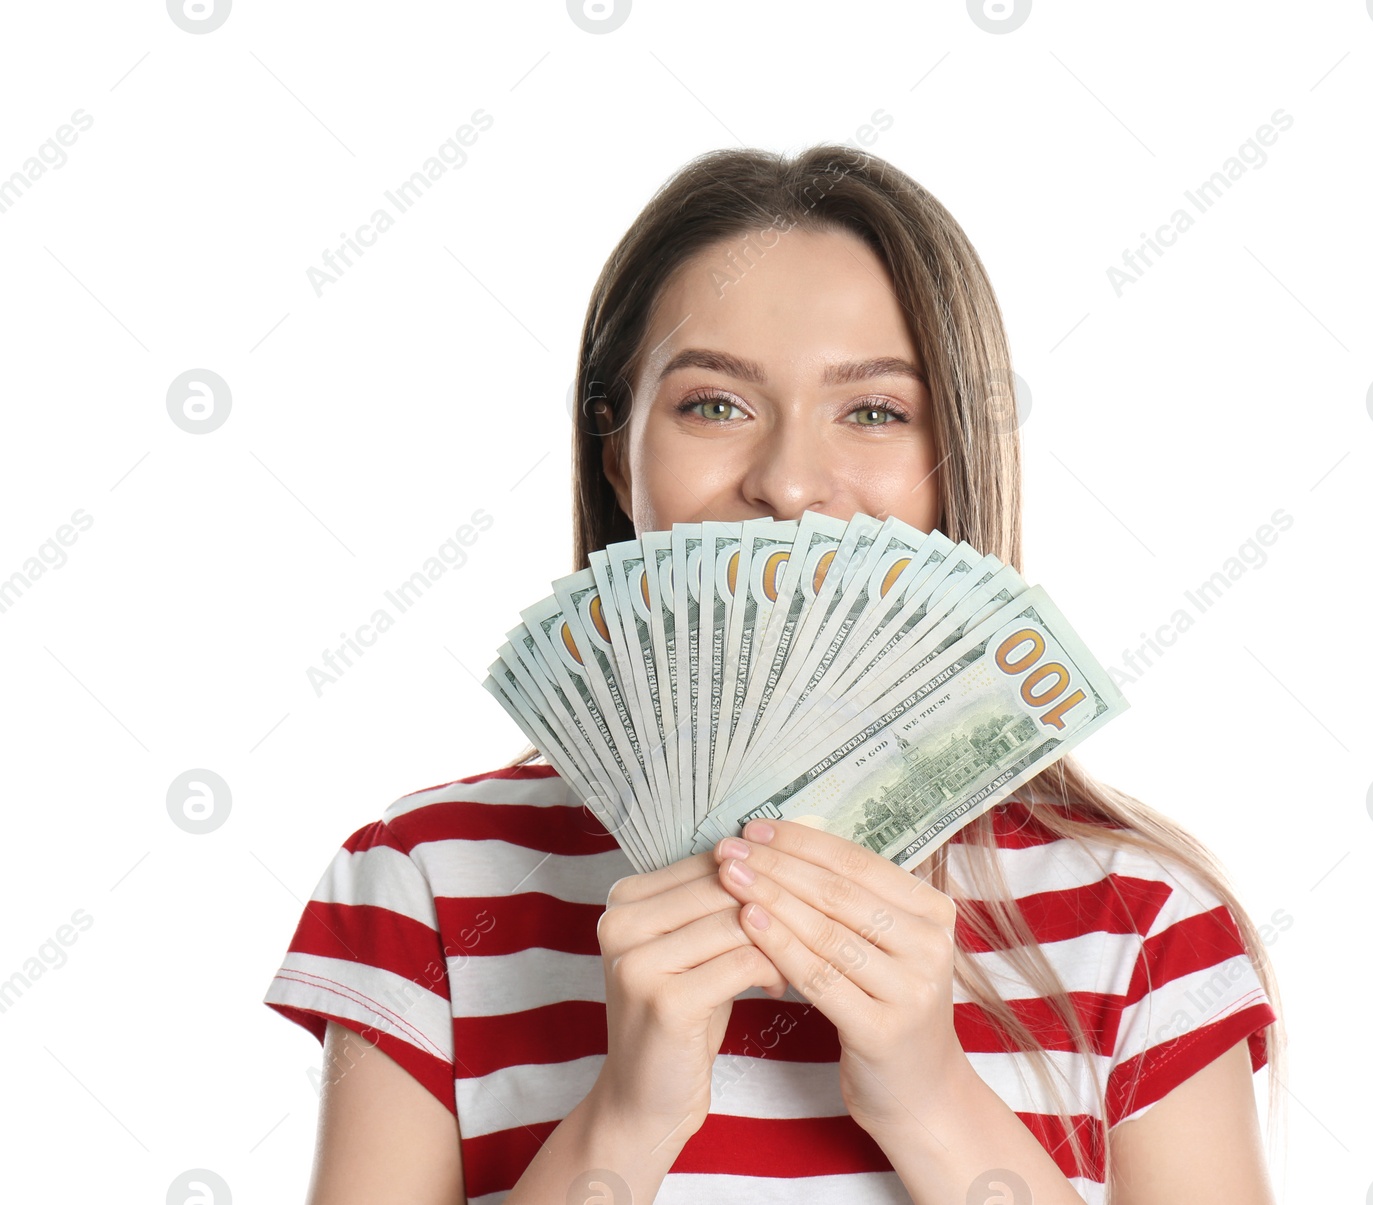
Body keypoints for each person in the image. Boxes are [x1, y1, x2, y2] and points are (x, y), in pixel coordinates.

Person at [263, 144, 1286, 1205]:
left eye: (877, 410)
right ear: (617, 454)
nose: (791, 484)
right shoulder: (427, 886)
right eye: (714, 404)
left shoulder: (1144, 918)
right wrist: (628, 1116)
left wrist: (930, 1100)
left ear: (957, 460)